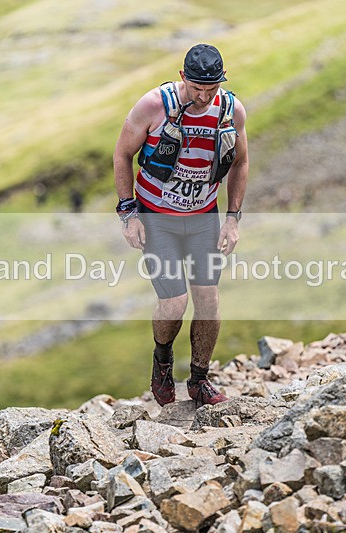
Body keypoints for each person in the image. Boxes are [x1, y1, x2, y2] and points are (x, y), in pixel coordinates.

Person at [113, 44, 248, 407]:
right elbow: (122, 154)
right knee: (174, 302)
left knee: (208, 299)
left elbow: (240, 163)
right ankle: (162, 360)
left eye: (212, 89)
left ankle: (200, 379)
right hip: (157, 218)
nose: (204, 97)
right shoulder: (153, 106)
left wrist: (233, 219)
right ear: (182, 78)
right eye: (196, 89)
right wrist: (129, 214)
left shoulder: (230, 110)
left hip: (204, 217)